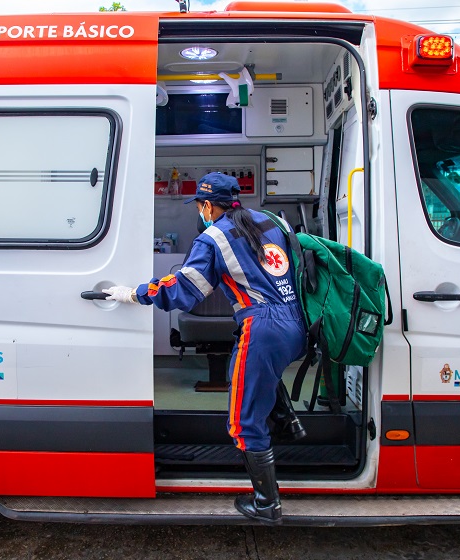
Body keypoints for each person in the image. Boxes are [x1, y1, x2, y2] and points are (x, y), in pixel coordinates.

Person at [103, 172, 307, 525]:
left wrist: (133, 293)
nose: (200, 211)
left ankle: (266, 504)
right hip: (296, 324)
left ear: (208, 206)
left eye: (200, 205)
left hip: (263, 328)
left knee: (242, 421)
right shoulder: (271, 222)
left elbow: (185, 289)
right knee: (247, 374)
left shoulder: (213, 238)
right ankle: (288, 421)